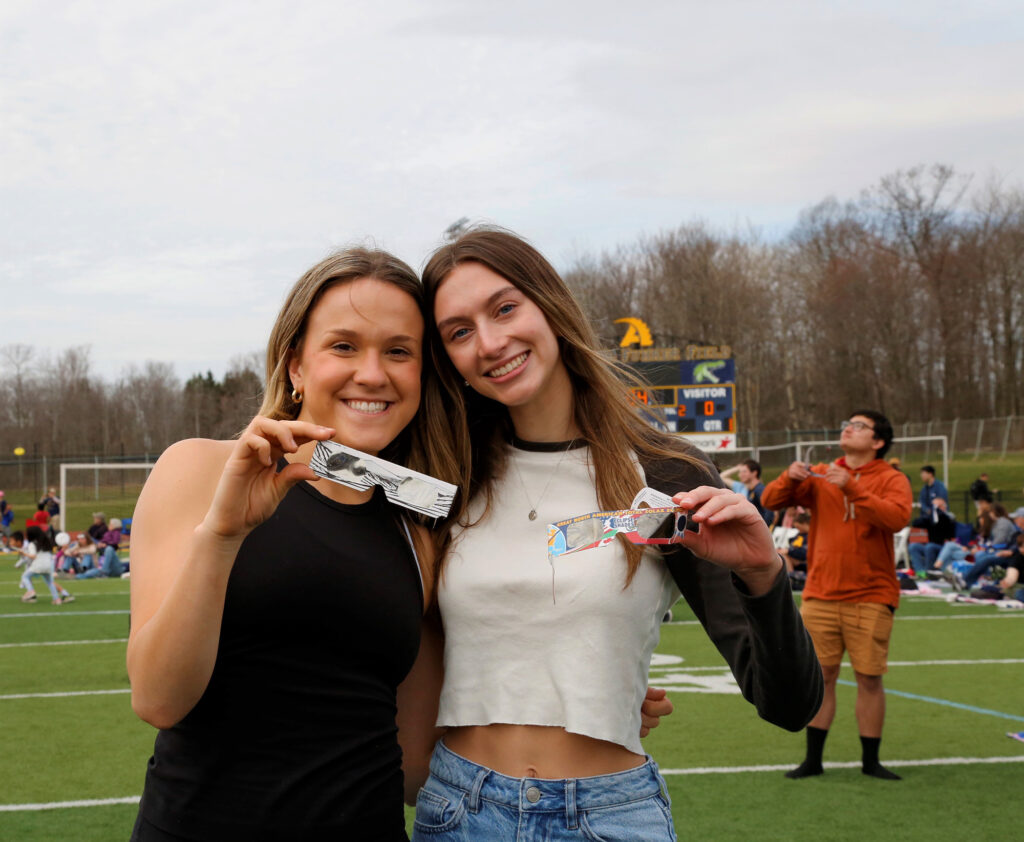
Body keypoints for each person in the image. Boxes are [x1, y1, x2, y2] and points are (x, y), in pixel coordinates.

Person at [412, 227, 822, 841]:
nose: (491, 342)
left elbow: (788, 704)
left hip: (608, 817)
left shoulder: (665, 472)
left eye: (504, 308)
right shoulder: (445, 473)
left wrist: (763, 573)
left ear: (549, 306)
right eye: (459, 331)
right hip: (457, 811)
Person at [126, 248, 449, 841]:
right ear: (295, 365)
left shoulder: (420, 522)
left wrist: (555, 709)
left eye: (398, 351)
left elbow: (416, 766)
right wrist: (222, 535)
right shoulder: (198, 469)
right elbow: (158, 698)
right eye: (344, 346)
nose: (373, 373)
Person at [762, 410, 912, 781]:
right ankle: (813, 760)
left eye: (859, 426)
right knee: (822, 677)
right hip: (821, 593)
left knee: (869, 679)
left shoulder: (892, 478)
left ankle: (870, 761)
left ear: (878, 441)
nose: (848, 427)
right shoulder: (823, 473)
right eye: (847, 423)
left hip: (872, 595)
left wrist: (852, 486)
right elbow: (771, 498)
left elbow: (896, 518)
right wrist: (789, 477)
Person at [12, 526, 74, 605]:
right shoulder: (45, 542)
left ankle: (31, 591)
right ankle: (57, 599)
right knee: (50, 582)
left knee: (25, 577)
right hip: (48, 565)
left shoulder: (32, 544)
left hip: (38, 565)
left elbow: (33, 556)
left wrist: (23, 553)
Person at [908, 497, 957, 577]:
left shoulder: (948, 518)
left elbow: (950, 535)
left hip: (943, 547)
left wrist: (938, 515)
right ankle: (920, 572)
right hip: (930, 545)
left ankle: (929, 572)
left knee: (929, 547)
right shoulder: (930, 518)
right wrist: (929, 515)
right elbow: (916, 523)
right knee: (913, 546)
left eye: (936, 507)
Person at [720, 459, 773, 526]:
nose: (740, 475)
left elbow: (769, 512)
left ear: (754, 473)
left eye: (744, 472)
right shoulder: (750, 489)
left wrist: (762, 529)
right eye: (740, 472)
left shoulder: (760, 490)